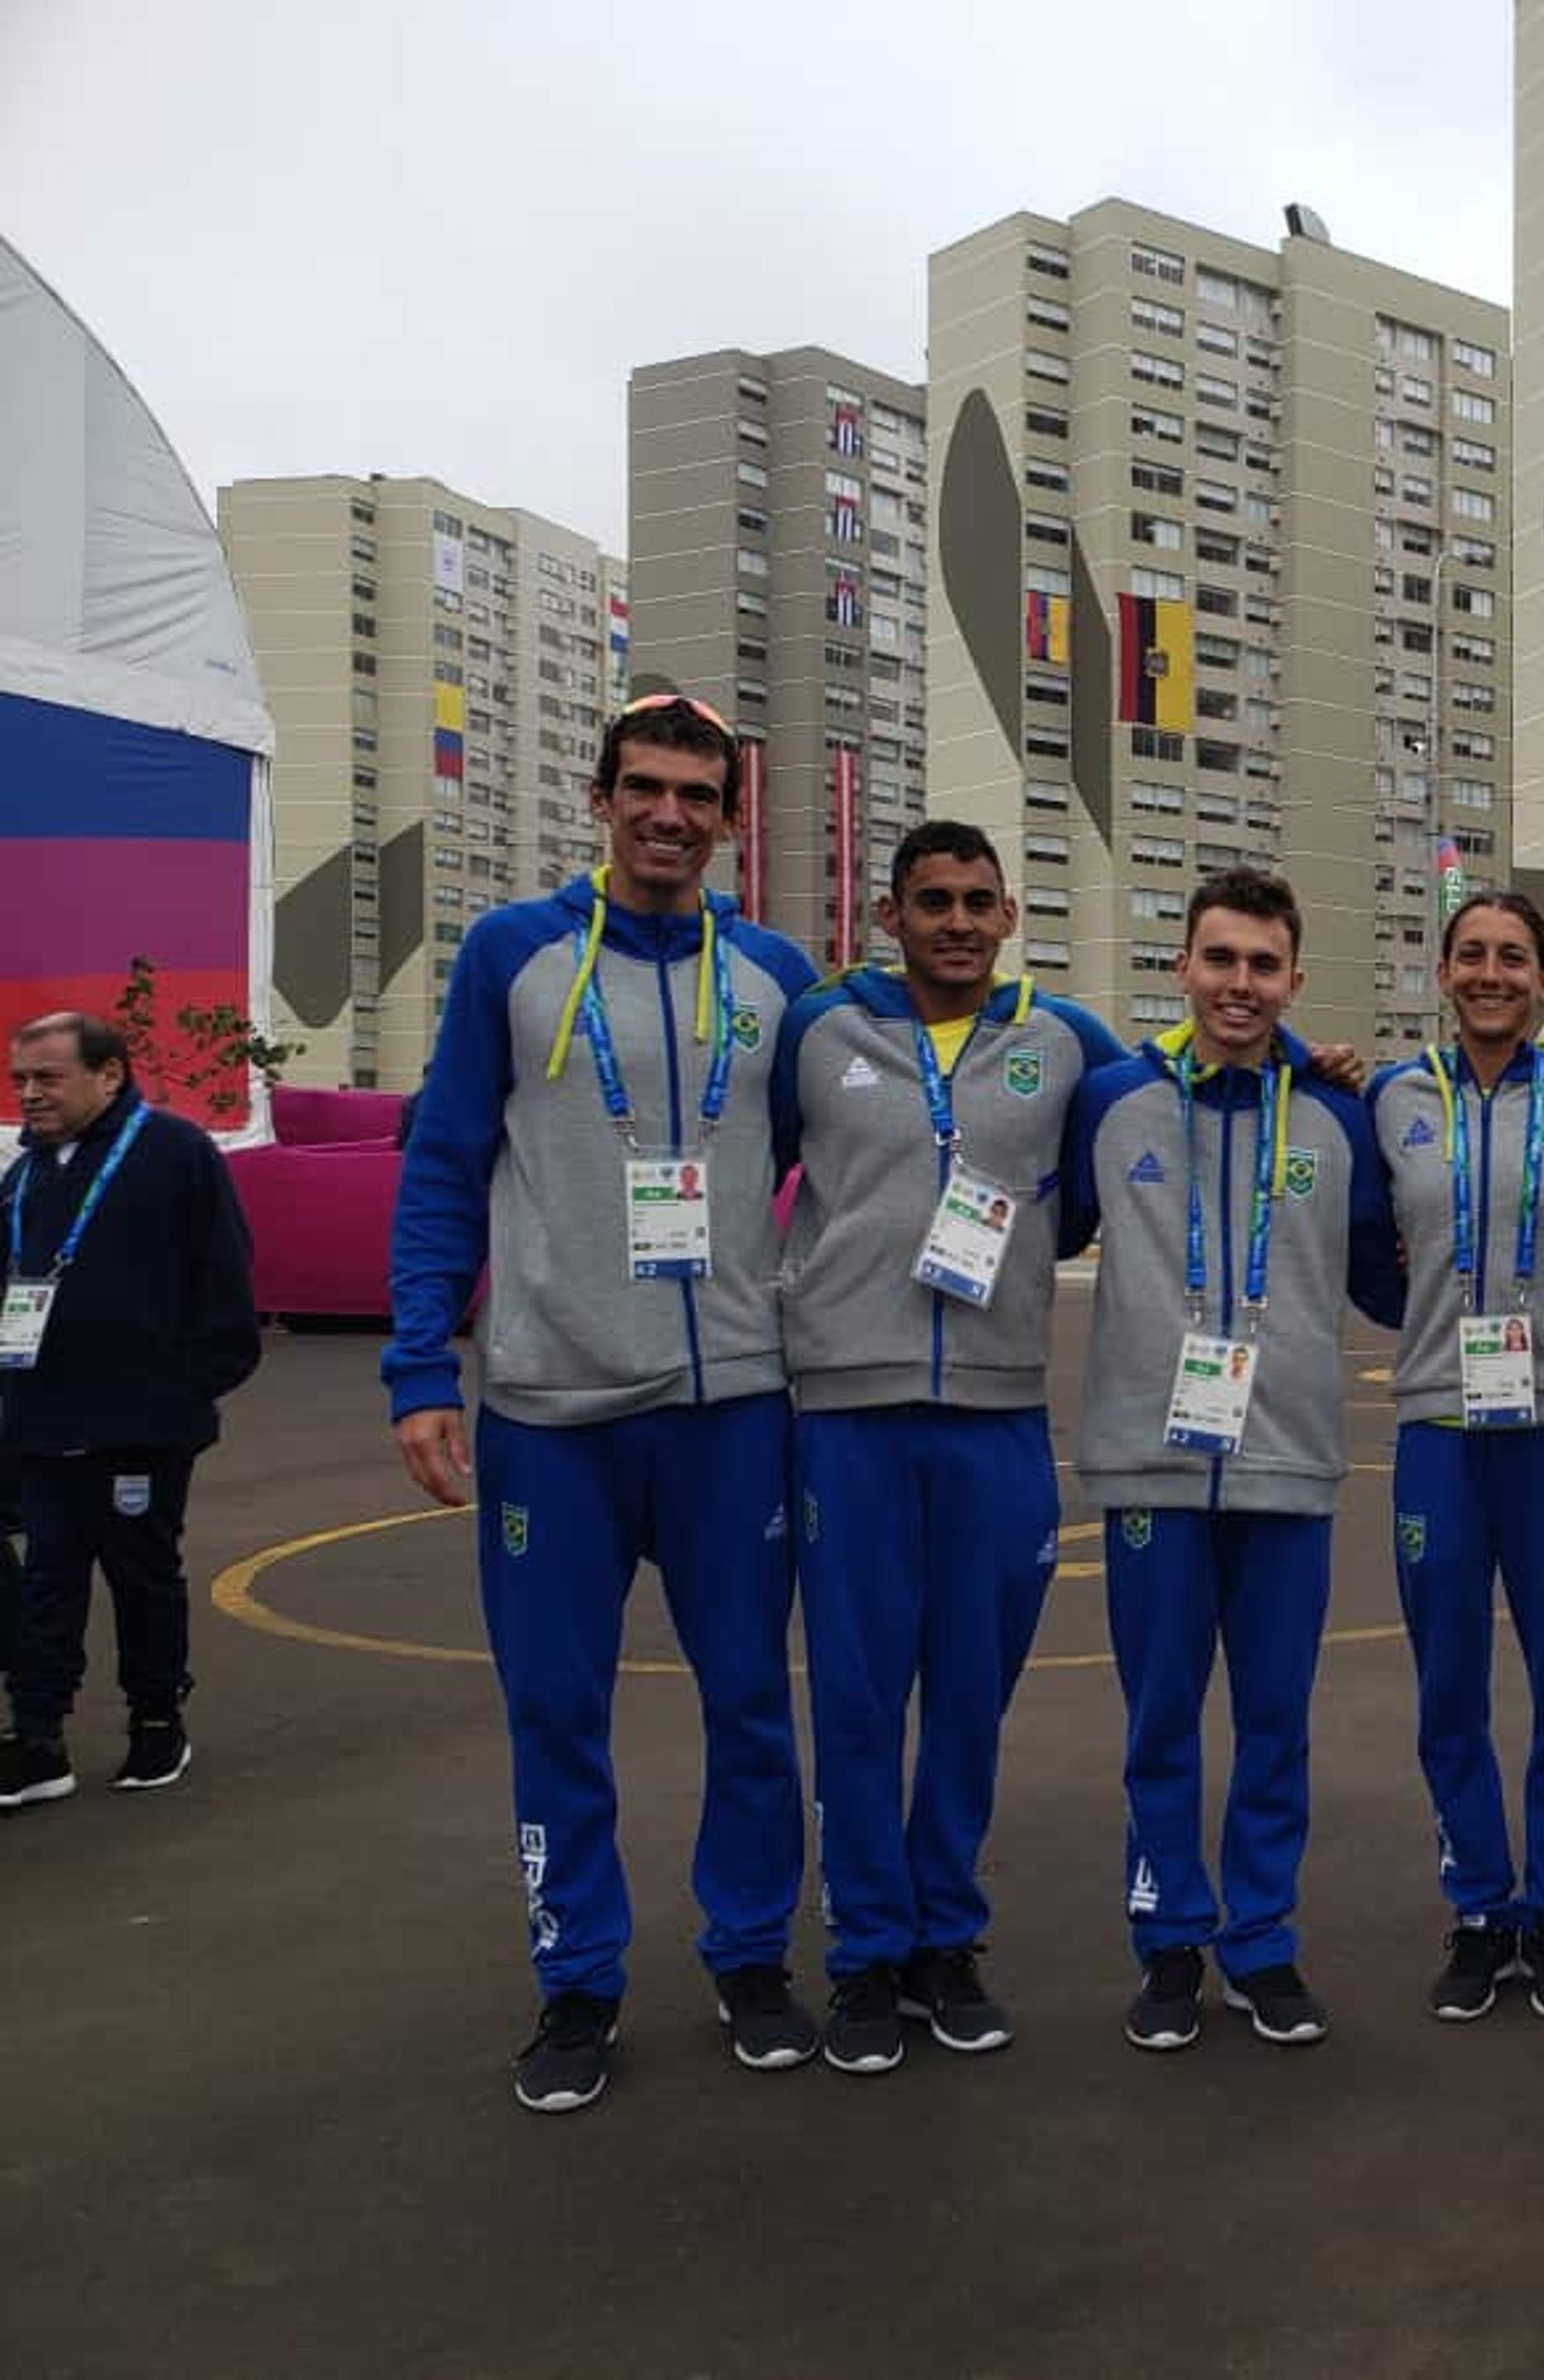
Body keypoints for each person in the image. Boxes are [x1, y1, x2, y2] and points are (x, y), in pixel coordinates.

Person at [385, 692, 822, 2113]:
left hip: (733, 1408)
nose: (671, 816)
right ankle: (576, 1981)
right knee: (556, 1712)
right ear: (601, 796)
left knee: (753, 1702)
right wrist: (415, 1368)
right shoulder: (512, 956)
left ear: (730, 818)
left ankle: (750, 1956)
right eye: (647, 787)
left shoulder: (773, 975)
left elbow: (871, 1135)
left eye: (700, 795)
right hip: (552, 1411)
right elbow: (447, 1160)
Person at [770, 819, 1124, 2075]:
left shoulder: (1065, 1041)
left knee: (970, 1697)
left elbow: (1164, 1103)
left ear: (1010, 913)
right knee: (861, 1697)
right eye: (934, 901)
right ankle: (866, 1953)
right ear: (891, 912)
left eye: (980, 901)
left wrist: (1315, 1060)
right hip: (848, 1416)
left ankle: (944, 1940)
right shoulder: (816, 1031)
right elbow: (737, 1165)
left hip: (996, 1414)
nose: (959, 922)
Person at [1060, 867, 1406, 2053]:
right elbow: (1036, 1220)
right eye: (1220, 959)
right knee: (1161, 1720)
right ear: (1184, 968)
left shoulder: (1337, 1115)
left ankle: (1260, 1942)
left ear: (1295, 981)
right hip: (1150, 1466)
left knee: (1276, 1720)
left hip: (1291, 1463)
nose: (1240, 985)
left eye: (1263, 965)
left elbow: (1384, 1274)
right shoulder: (1109, 1099)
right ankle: (1167, 1940)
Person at [1365, 891, 1544, 2023]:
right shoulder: (1388, 1097)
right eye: (1471, 954)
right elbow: (1363, 1256)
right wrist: (1421, 1326)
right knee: (1449, 1683)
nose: (1490, 973)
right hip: (1438, 1422)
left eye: (1513, 957)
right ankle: (1479, 1907)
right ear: (1441, 971)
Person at [0, 1012, 258, 1806]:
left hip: (140, 1425)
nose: (29, 1095)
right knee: (47, 1581)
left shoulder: (174, 1155)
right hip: (40, 1422)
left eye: (47, 1078)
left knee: (142, 1576)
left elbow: (226, 1285)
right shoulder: (26, 1174)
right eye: (21, 1081)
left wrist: (180, 1391)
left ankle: (155, 1723)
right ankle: (39, 1739)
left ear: (108, 1074)